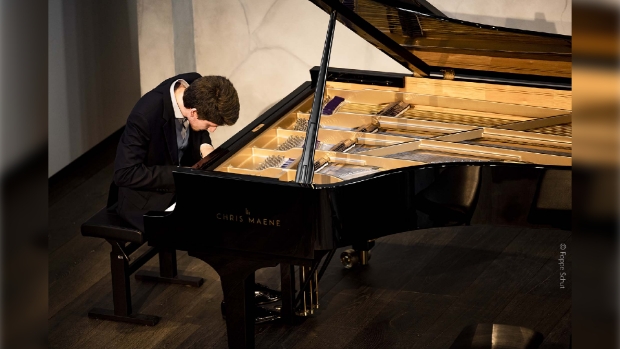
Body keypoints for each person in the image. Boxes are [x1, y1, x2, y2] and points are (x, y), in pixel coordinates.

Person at [111, 72, 280, 323]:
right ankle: (236, 302)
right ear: (193, 113)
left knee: (239, 207)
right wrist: (182, 174)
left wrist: (203, 144)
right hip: (145, 199)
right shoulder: (145, 114)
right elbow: (124, 174)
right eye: (211, 125)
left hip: (181, 182)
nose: (212, 129)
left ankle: (245, 287)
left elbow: (198, 131)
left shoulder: (194, 84)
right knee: (220, 225)